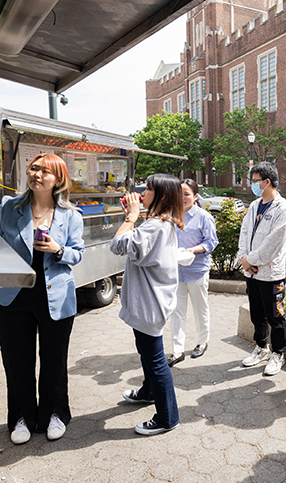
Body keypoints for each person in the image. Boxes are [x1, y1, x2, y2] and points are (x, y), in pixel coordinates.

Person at [0, 153, 85, 445]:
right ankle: (21, 417)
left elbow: (77, 254)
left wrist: (58, 249)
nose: (37, 174)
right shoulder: (7, 209)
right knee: (17, 361)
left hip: (55, 295)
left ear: (58, 180)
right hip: (12, 296)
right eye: (34, 168)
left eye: (45, 171)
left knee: (54, 360)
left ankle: (55, 413)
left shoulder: (71, 215)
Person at [111, 174, 184, 435]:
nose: (142, 192)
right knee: (145, 352)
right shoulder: (160, 223)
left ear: (162, 196)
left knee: (155, 360)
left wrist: (131, 218)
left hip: (149, 306)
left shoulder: (154, 227)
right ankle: (148, 391)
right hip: (152, 304)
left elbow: (118, 245)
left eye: (149, 189)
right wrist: (136, 218)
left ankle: (167, 417)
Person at [237, 162, 286, 376]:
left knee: (275, 316)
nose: (252, 185)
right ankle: (261, 348)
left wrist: (251, 260)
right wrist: (243, 259)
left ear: (266, 182)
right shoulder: (254, 206)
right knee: (257, 313)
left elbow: (274, 243)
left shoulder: (283, 208)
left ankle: (278, 353)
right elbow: (244, 233)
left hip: (269, 273)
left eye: (255, 181)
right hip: (250, 271)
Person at [166, 179, 218, 366]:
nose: (182, 198)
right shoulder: (172, 216)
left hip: (197, 270)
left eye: (186, 194)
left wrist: (192, 250)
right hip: (176, 272)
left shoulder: (204, 217)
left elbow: (211, 242)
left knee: (200, 309)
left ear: (195, 196)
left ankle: (202, 342)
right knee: (176, 312)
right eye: (179, 194)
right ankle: (177, 350)